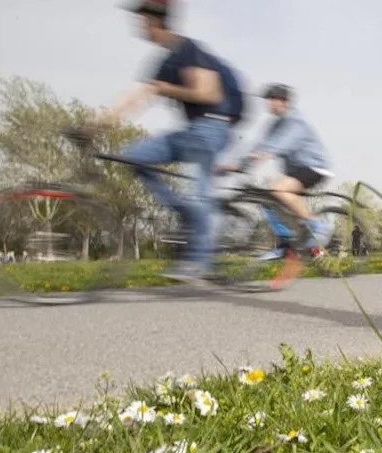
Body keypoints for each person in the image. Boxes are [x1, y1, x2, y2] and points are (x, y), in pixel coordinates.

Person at [93, 0, 245, 283]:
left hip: (213, 127)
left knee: (199, 190)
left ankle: (199, 261)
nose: (137, 25)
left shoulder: (189, 50)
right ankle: (189, 213)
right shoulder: (164, 60)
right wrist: (95, 126)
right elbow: (136, 96)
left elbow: (208, 93)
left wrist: (165, 87)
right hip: (191, 131)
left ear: (155, 20)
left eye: (141, 20)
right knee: (132, 156)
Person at [219, 84, 333, 261]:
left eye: (273, 99)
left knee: (277, 188)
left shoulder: (295, 122)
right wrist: (235, 163)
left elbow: (278, 145)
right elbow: (259, 144)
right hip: (296, 171)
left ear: (283, 101)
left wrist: (257, 157)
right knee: (265, 199)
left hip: (314, 167)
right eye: (268, 100)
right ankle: (285, 243)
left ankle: (318, 227)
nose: (269, 103)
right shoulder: (275, 124)